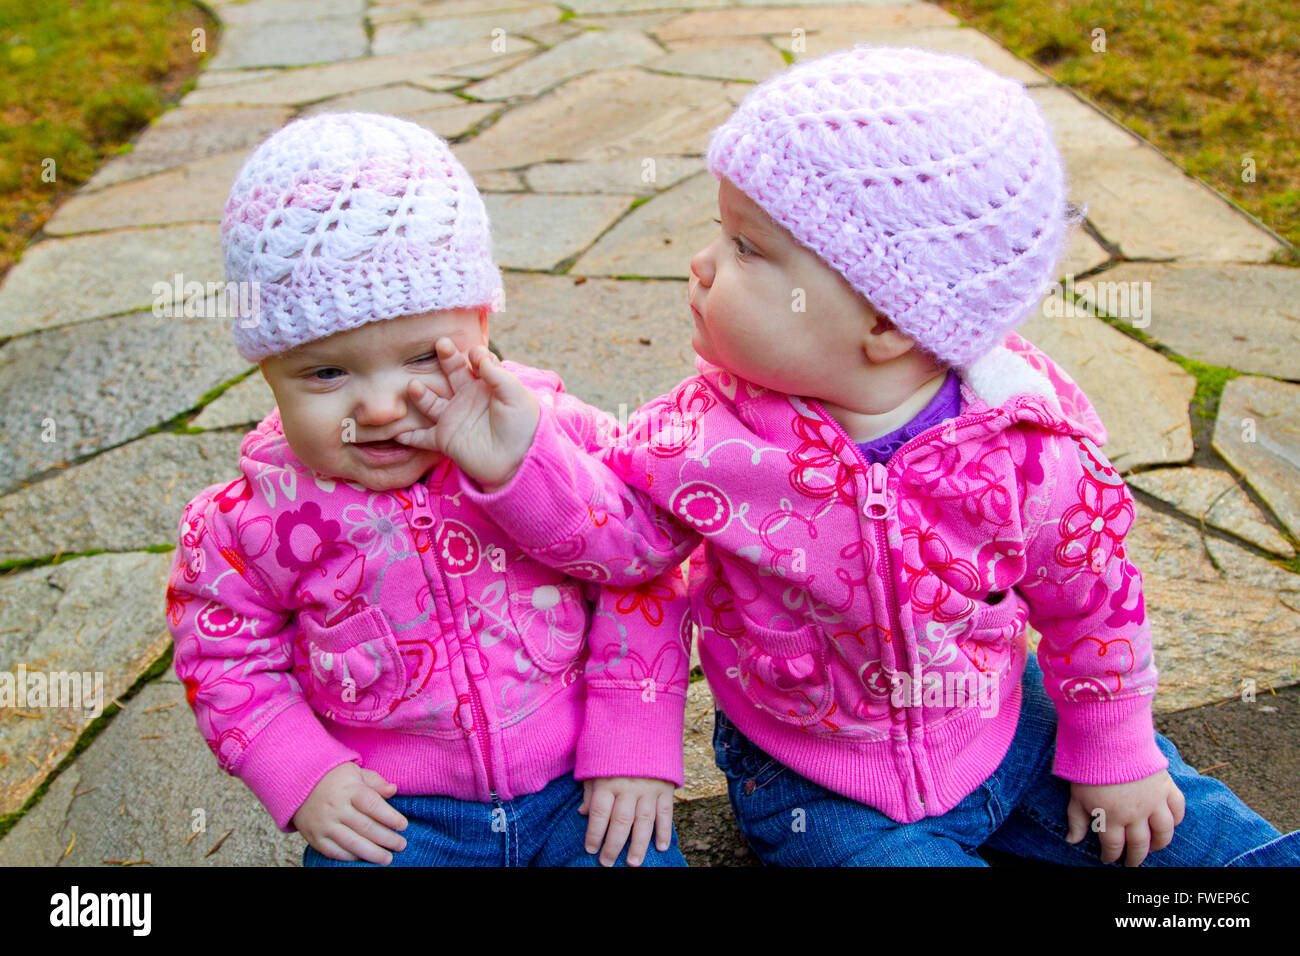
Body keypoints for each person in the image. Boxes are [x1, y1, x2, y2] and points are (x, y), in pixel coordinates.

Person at [394, 47, 1300, 866]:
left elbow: (1091, 600)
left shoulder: (1025, 445)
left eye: (748, 246)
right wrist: (514, 457)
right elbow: (624, 543)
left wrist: (1112, 746)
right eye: (722, 232)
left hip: (1006, 731)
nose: (703, 265)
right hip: (817, 782)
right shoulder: (707, 436)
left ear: (888, 320)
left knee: (1214, 850)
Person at [164, 112, 691, 868]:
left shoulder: (551, 439)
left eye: (421, 357)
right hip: (394, 819)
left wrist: (632, 740)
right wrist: (301, 771)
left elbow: (642, 566)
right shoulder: (253, 520)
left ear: (481, 322)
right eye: (325, 373)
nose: (381, 407)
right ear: (266, 371)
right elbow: (224, 656)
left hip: (584, 791)